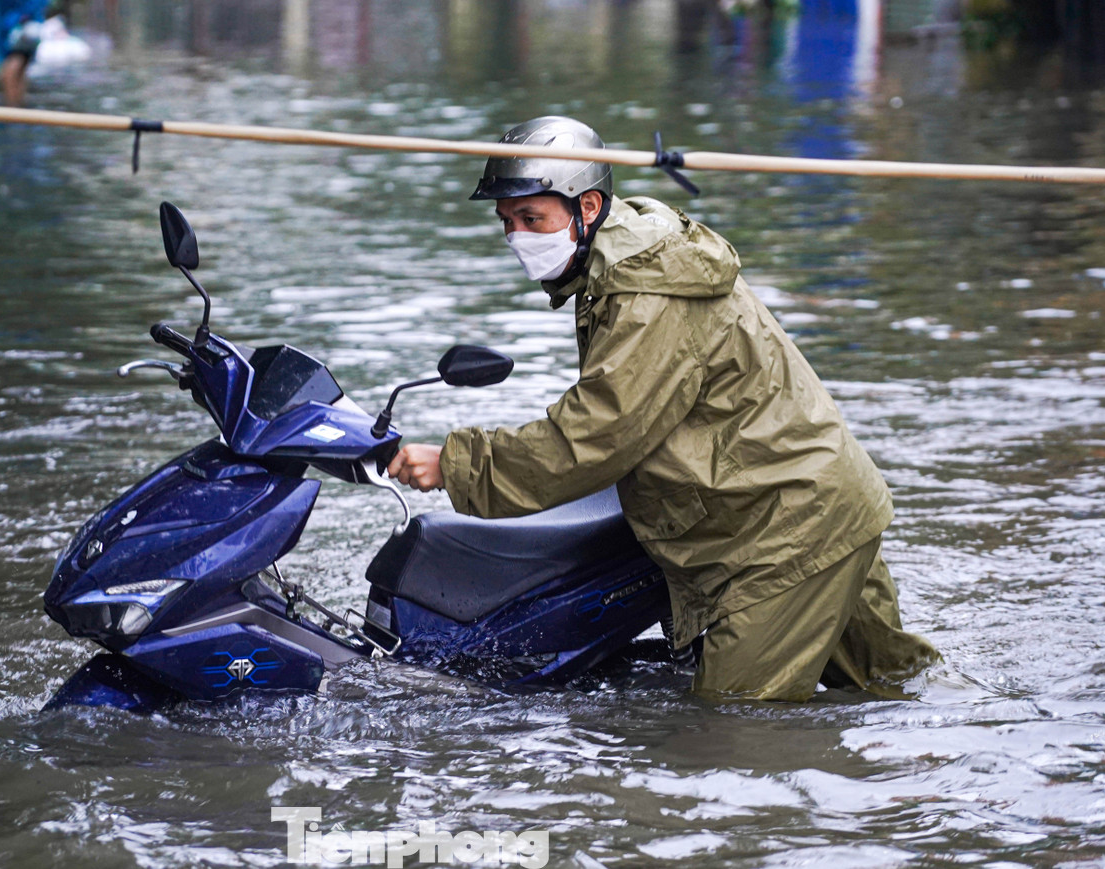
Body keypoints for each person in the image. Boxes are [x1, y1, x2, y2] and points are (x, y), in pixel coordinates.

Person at [386, 116, 939, 702]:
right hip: (819, 504)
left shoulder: (645, 292)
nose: (517, 236)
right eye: (507, 223)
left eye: (532, 219)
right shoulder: (623, 262)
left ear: (589, 206)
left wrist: (457, 464)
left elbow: (597, 434)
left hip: (780, 535)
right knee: (903, 692)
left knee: (729, 731)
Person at [0, 0, 48, 106]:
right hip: (17, 25)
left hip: (18, 26)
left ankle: (13, 108)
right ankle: (17, 106)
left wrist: (20, 17)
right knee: (18, 71)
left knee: (11, 72)